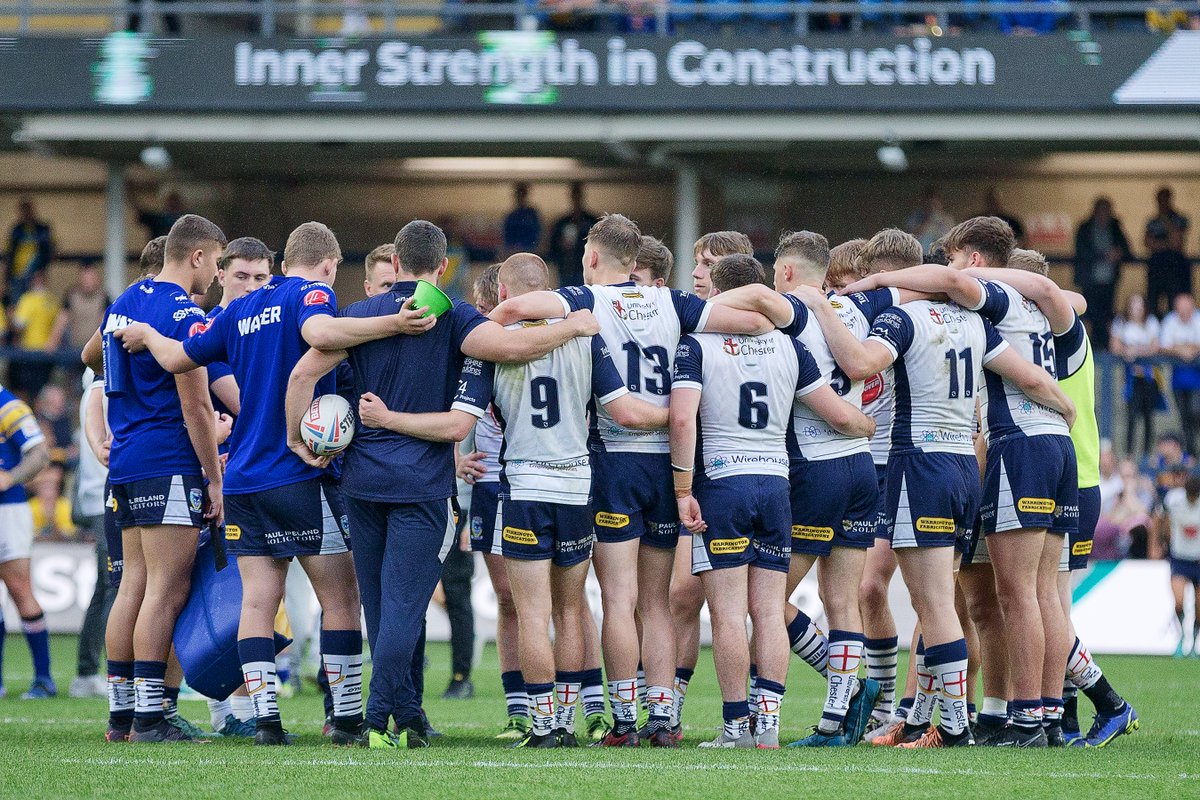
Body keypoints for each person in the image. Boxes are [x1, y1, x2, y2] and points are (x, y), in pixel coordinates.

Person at [284, 219, 603, 749]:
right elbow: (512, 347)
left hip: (362, 483)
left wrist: (302, 440)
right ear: (442, 266)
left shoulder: (360, 314)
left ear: (398, 262)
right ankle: (376, 719)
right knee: (405, 609)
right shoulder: (454, 317)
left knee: (383, 608)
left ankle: (407, 713)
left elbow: (301, 376)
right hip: (423, 487)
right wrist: (573, 327)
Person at [119, 222, 433, 747]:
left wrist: (149, 334)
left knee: (258, 602)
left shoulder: (239, 308)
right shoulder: (315, 295)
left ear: (283, 261)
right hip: (302, 473)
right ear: (330, 266)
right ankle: (347, 719)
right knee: (341, 598)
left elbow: (176, 359)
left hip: (243, 478)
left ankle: (267, 722)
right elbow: (319, 335)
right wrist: (393, 325)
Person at [488, 214, 772, 747]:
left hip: (614, 461)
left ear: (592, 257)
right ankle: (662, 716)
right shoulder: (674, 303)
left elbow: (520, 308)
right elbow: (754, 324)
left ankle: (622, 719)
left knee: (618, 599)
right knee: (656, 601)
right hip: (667, 465)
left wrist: (492, 321)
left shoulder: (585, 298)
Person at [820, 245, 1074, 749]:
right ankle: (932, 717)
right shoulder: (978, 324)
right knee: (952, 602)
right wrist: (1066, 410)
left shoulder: (902, 318)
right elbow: (1028, 375)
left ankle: (953, 724)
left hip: (920, 462)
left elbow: (859, 363)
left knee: (935, 605)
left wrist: (822, 310)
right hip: (965, 466)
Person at [452, 254, 666, 748]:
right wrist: (680, 417)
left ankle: (545, 725)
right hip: (576, 488)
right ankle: (569, 723)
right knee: (571, 610)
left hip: (524, 486)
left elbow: (464, 420)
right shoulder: (585, 338)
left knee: (532, 612)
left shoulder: (492, 347)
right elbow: (626, 412)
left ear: (506, 294)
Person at [885, 217, 1080, 747]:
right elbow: (1070, 302)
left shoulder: (990, 301)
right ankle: (1048, 716)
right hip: (1059, 450)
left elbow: (955, 287)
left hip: (1017, 444)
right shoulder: (1046, 309)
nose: (947, 270)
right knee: (1042, 594)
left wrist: (871, 283)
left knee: (1014, 594)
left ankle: (1024, 718)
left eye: (952, 258)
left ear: (973, 260)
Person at [710, 231, 906, 747]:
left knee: (765, 601)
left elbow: (747, 300)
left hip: (814, 469)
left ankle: (757, 717)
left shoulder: (791, 312)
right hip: (861, 470)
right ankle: (837, 718)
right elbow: (933, 286)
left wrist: (695, 307)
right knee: (842, 600)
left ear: (789, 273)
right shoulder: (865, 308)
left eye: (777, 273)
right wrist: (885, 277)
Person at [671, 253, 873, 749]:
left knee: (727, 614)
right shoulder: (790, 346)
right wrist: (867, 426)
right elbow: (836, 413)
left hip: (723, 483)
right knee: (767, 610)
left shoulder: (696, 344)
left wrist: (681, 489)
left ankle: (735, 727)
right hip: (777, 487)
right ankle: (769, 730)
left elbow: (681, 421)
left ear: (718, 293)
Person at [977, 249, 1140, 747]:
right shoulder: (1056, 327)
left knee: (1041, 600)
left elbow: (1071, 297)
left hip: (1068, 468)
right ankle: (1057, 714)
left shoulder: (1047, 327)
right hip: (1073, 469)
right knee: (1045, 599)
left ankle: (1104, 701)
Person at [80, 214, 226, 743]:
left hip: (125, 464)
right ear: (196, 257)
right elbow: (198, 410)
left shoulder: (125, 301)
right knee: (165, 589)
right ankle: (149, 716)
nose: (214, 274)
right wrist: (213, 479)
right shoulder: (184, 313)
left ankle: (121, 716)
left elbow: (88, 355)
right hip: (169, 460)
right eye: (214, 261)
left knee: (133, 588)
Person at [671, 229, 753, 734]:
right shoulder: (690, 324)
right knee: (683, 597)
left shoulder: (770, 330)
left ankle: (845, 684)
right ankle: (671, 710)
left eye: (708, 264)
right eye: (697, 262)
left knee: (760, 607)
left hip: (738, 480)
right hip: (698, 476)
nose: (698, 273)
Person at [0, 382, 52, 698]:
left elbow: (40, 454)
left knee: (20, 589)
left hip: (8, 509)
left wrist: (10, 477)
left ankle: (44, 679)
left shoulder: (7, 405)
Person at [70, 369, 114, 699]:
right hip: (107, 498)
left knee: (106, 586)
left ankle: (87, 672)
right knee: (116, 585)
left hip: (96, 497)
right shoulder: (104, 397)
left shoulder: (91, 395)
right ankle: (114, 673)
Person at [1110, 294, 1162, 458]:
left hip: (1149, 376)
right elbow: (1114, 346)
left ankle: (1147, 453)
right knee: (1131, 415)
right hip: (1130, 376)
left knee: (1148, 415)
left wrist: (1136, 351)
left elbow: (1155, 346)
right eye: (1133, 305)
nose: (1137, 309)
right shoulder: (1121, 322)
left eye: (1140, 305)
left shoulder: (1151, 321)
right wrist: (1127, 351)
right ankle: (1129, 454)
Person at [1073, 197, 1130, 341]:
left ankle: (1106, 343)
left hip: (1109, 280)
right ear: (1095, 210)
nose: (1105, 213)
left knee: (1107, 314)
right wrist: (1104, 255)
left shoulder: (1115, 226)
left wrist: (1118, 253)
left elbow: (1127, 249)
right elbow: (1081, 251)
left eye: (1107, 210)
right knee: (1089, 314)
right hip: (1090, 280)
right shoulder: (1085, 227)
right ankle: (1088, 343)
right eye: (1102, 210)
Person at [1162, 474, 1200, 657]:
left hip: (1198, 559)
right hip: (1180, 558)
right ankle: (1181, 636)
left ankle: (1193, 642)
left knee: (1199, 608)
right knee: (1178, 602)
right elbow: (1161, 519)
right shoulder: (1173, 501)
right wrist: (1160, 542)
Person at [8, 271, 61, 400]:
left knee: (26, 390)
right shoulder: (52, 299)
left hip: (29, 352)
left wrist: (10, 314)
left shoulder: (28, 299)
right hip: (47, 352)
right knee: (42, 389)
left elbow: (19, 325)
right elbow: (58, 323)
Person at [1159, 293, 1200, 456]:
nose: (1183, 313)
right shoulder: (1171, 321)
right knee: (1184, 418)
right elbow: (1163, 344)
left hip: (1197, 380)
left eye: (1186, 309)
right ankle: (1192, 453)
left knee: (1195, 412)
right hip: (1178, 380)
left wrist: (1190, 349)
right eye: (1180, 310)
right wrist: (1181, 350)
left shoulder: (1198, 319)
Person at [1144, 187, 1191, 317]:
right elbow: (1147, 243)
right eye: (1159, 200)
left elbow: (1177, 243)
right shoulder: (1152, 221)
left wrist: (1166, 221)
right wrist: (1167, 244)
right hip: (1156, 268)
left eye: (1164, 200)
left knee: (1173, 303)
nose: (1162, 204)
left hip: (1175, 268)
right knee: (1152, 303)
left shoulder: (1180, 219)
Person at [50, 262, 110, 355]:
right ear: (80, 278)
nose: (89, 282)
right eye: (86, 278)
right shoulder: (71, 295)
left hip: (95, 349)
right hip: (75, 348)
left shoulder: (103, 297)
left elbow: (104, 323)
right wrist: (53, 342)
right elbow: (62, 320)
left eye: (92, 278)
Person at [547, 182, 599, 288]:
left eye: (578, 196)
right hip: (566, 268)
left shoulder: (591, 221)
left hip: (585, 267)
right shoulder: (562, 222)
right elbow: (553, 246)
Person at [5, 198, 54, 304]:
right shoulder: (16, 230)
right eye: (23, 211)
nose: (26, 214)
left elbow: (50, 250)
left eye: (28, 210)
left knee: (36, 303)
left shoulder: (42, 229)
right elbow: (9, 253)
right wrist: (7, 277)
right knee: (18, 305)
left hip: (35, 275)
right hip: (17, 276)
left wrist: (42, 270)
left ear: (33, 211)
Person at [905, 187, 955, 254]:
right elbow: (912, 237)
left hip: (941, 255)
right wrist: (929, 218)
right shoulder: (915, 217)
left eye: (935, 202)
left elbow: (951, 238)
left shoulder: (947, 218)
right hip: (921, 254)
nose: (931, 205)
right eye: (929, 202)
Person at [502, 183, 542, 257]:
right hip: (513, 252)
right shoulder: (511, 216)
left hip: (531, 251)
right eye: (518, 194)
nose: (520, 197)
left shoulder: (532, 215)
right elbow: (507, 237)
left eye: (522, 194)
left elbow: (538, 235)